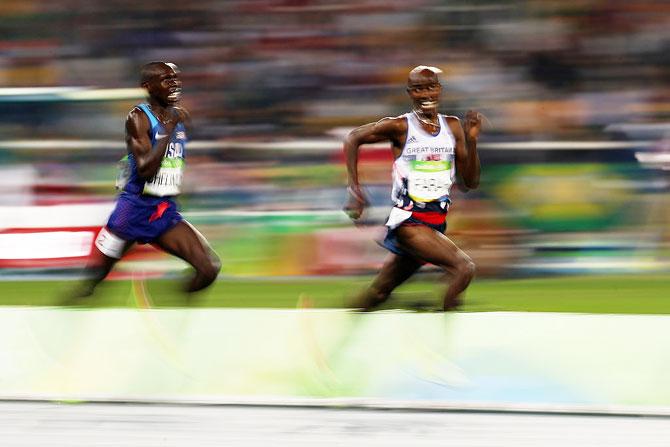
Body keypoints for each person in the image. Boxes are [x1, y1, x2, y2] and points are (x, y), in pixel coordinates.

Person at [72, 61, 220, 300]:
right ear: (148, 86)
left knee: (209, 270)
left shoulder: (179, 118)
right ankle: (79, 300)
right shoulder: (139, 117)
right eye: (166, 80)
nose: (174, 84)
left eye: (176, 79)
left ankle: (169, 307)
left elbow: (174, 159)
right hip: (133, 209)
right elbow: (145, 170)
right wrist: (168, 128)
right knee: (94, 279)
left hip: (163, 211)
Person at [343, 65, 482, 311]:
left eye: (431, 87)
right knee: (464, 268)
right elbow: (353, 137)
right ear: (410, 93)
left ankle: (348, 317)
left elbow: (469, 183)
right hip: (410, 223)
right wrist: (354, 190)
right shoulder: (400, 127)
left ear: (439, 90)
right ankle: (445, 332)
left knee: (380, 292)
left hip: (435, 224)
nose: (425, 94)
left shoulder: (453, 127)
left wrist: (471, 141)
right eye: (418, 89)